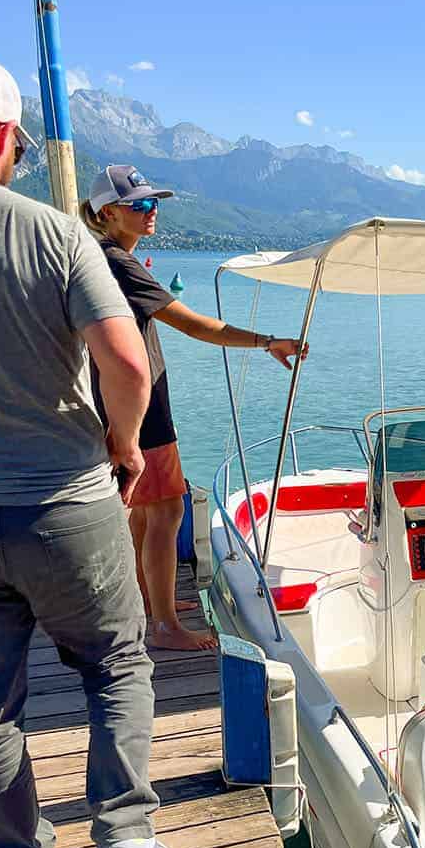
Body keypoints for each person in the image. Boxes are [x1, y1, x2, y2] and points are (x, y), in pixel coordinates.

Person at [0, 57, 181, 848]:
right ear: (1, 135)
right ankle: (127, 832)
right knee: (116, 664)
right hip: (65, 497)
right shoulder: (56, 235)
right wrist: (127, 443)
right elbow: (128, 364)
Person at [80, 167, 308, 651]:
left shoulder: (99, 258)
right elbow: (197, 326)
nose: (151, 210)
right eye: (139, 204)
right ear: (108, 212)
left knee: (143, 513)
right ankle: (164, 626)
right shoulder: (117, 263)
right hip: (141, 409)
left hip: (115, 403)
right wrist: (268, 341)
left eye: (153, 202)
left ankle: (149, 602)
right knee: (165, 511)